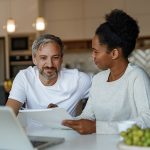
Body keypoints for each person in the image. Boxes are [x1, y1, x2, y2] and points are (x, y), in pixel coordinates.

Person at [62, 9, 150, 134]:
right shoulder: (98, 79)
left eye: (96, 51)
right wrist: (62, 119)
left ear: (114, 53)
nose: (92, 56)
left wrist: (97, 128)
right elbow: (87, 117)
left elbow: (147, 120)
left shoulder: (137, 77)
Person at [6, 34, 92, 116]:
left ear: (61, 59)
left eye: (55, 58)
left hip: (65, 131)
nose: (50, 65)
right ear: (34, 59)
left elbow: (103, 95)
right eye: (43, 58)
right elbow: (9, 115)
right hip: (31, 131)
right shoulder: (25, 78)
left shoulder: (78, 80)